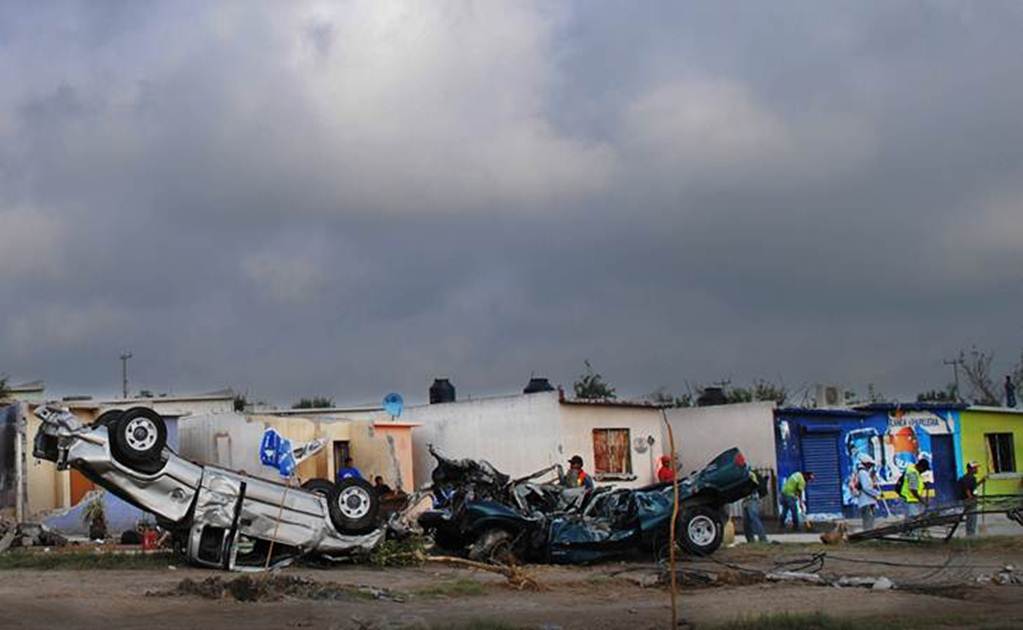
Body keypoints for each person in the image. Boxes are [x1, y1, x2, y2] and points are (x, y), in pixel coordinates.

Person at [957, 461, 985, 536]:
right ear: (970, 469)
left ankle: (971, 534)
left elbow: (973, 488)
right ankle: (970, 535)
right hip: (969, 501)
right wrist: (971, 499)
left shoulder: (972, 478)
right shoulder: (967, 478)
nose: (976, 469)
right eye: (975, 468)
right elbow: (967, 490)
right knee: (971, 518)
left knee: (972, 518)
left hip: (971, 500)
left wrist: (981, 482)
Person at [854, 454, 881, 531]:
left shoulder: (864, 473)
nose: (871, 466)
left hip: (868, 502)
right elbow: (866, 487)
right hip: (867, 502)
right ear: (866, 463)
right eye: (870, 464)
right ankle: (868, 535)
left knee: (869, 521)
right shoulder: (863, 473)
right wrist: (877, 493)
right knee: (868, 521)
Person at [742, 470, 769, 543]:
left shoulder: (749, 474)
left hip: (752, 499)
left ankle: (763, 539)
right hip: (746, 500)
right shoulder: (747, 474)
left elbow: (753, 485)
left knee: (753, 518)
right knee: (746, 522)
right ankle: (751, 540)